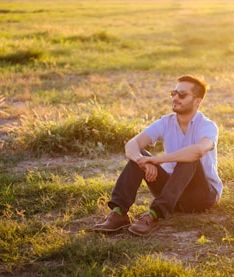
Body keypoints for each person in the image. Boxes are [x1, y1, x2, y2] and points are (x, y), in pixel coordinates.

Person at [93, 75, 223, 236]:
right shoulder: (165, 122)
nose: (175, 98)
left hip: (201, 197)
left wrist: (157, 160)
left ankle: (155, 215)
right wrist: (143, 162)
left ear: (197, 101)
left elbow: (197, 150)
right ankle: (119, 213)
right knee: (139, 155)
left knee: (190, 159)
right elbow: (132, 144)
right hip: (170, 191)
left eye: (182, 95)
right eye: (173, 93)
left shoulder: (208, 126)